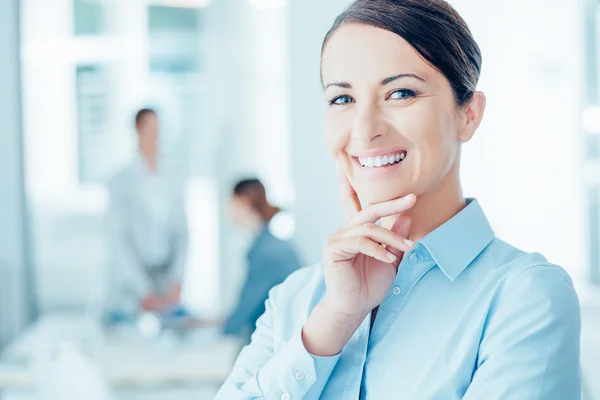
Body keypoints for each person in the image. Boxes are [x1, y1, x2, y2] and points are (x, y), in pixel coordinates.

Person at [216, 0, 581, 399]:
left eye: (401, 93)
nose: (365, 129)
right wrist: (335, 320)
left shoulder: (524, 298)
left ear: (468, 115)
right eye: (342, 99)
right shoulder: (294, 299)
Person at [106, 108, 188, 321]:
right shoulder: (121, 180)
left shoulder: (173, 178)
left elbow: (182, 233)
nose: (155, 137)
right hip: (133, 284)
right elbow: (119, 239)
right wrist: (143, 290)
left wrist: (176, 281)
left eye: (158, 131)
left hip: (165, 279)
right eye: (149, 130)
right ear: (137, 130)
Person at [223, 178, 303, 341]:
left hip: (282, 337)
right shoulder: (267, 244)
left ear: (242, 202)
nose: (228, 211)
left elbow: (247, 306)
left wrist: (222, 330)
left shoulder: (266, 251)